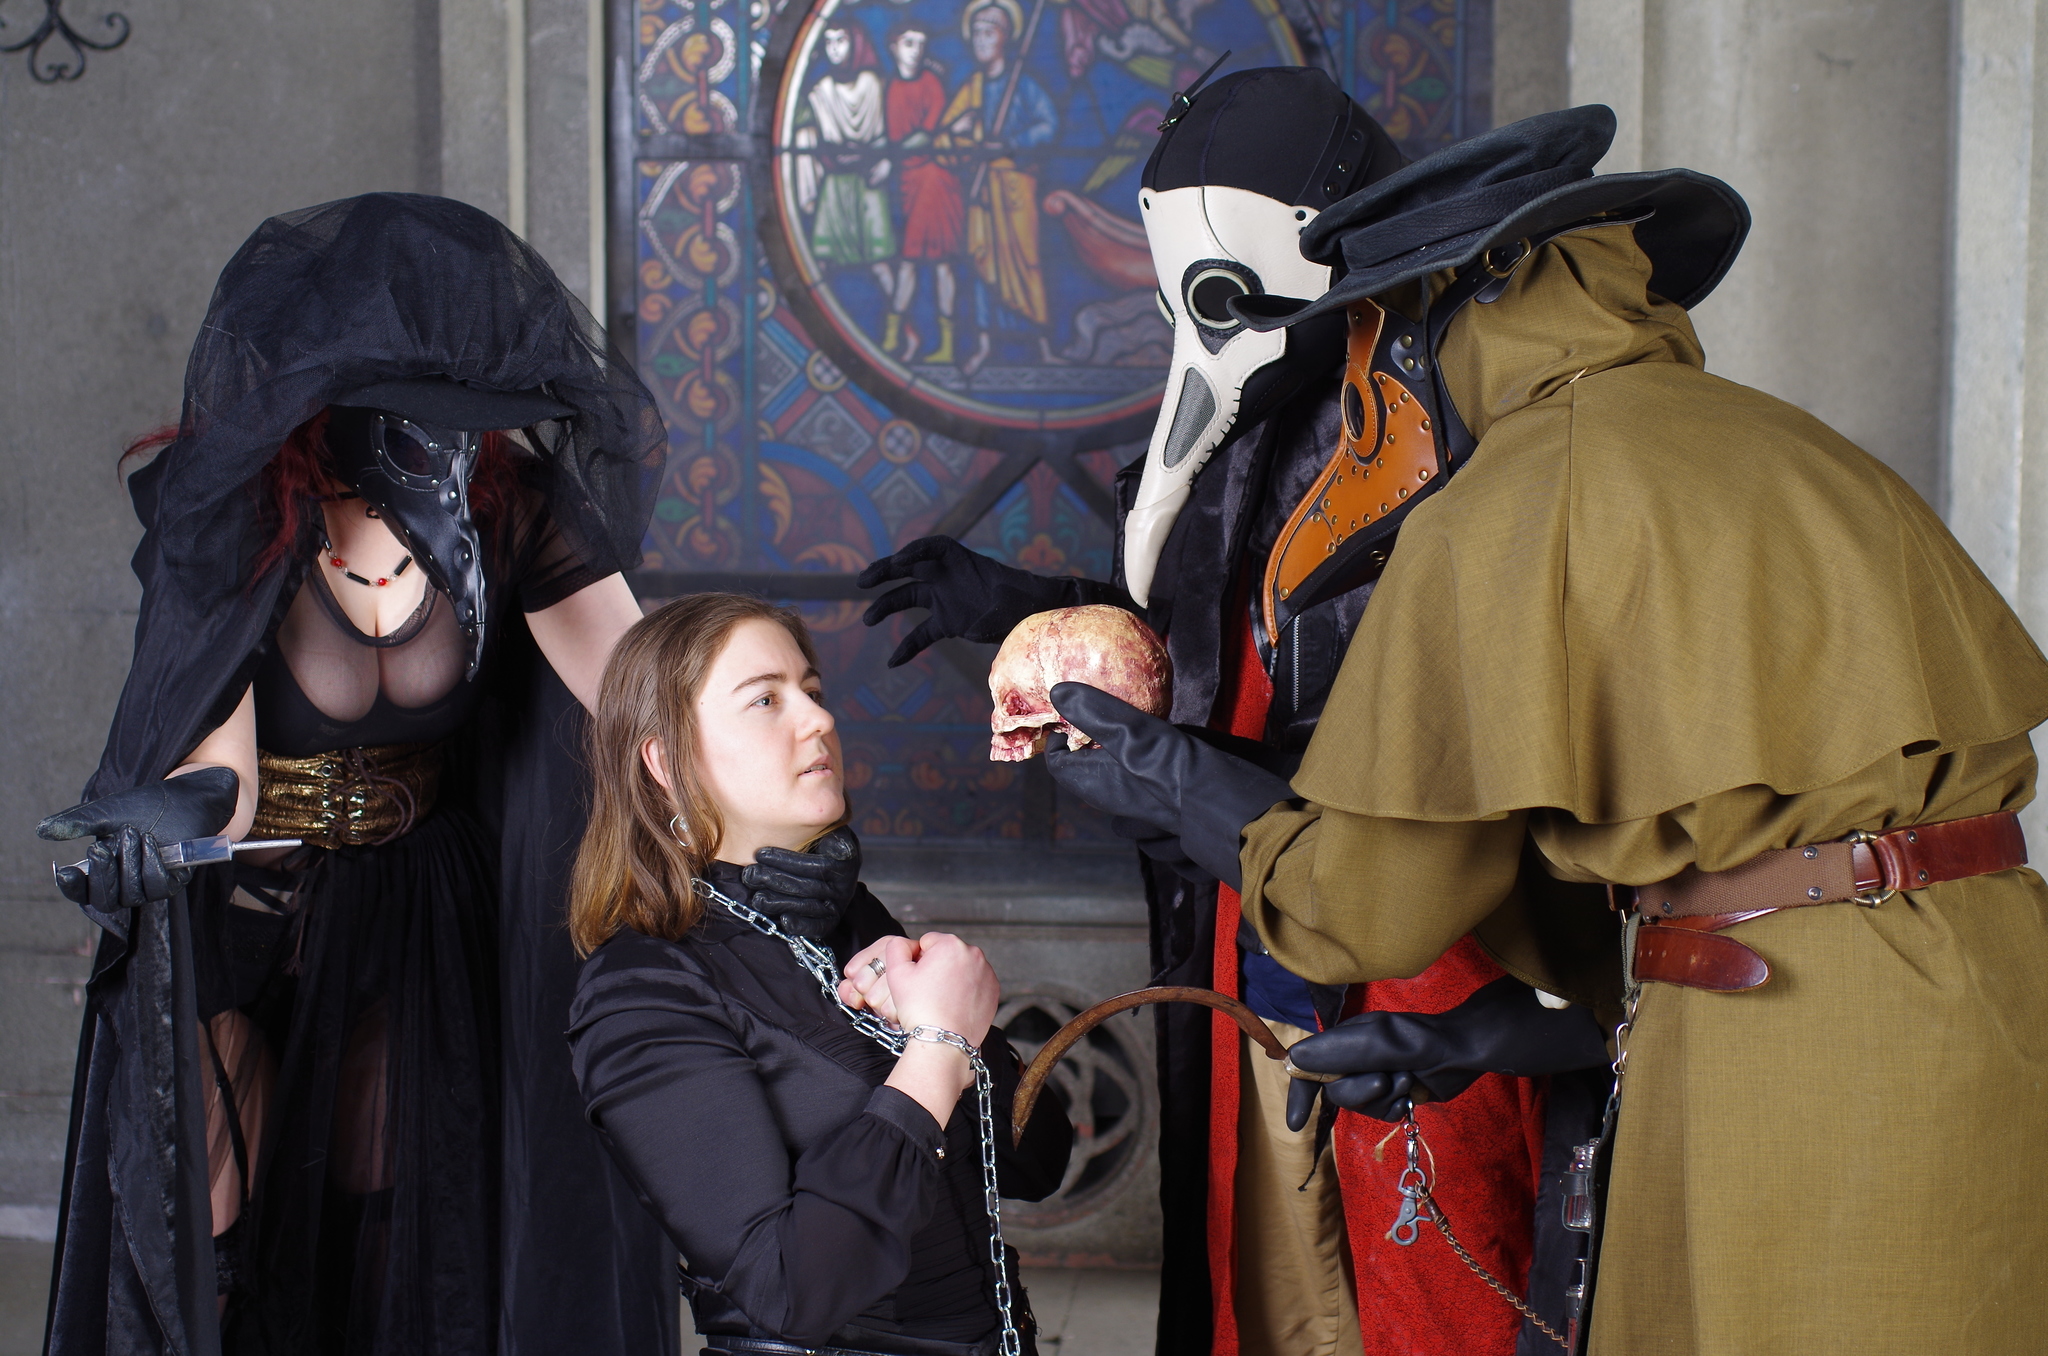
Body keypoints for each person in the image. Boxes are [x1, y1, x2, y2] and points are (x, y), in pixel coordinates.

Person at [1039, 104, 2048, 1356]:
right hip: (1976, 993)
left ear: (1426, 328)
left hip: (1803, 1057)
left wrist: (1199, 799)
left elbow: (1370, 907)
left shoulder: (1514, 495)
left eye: (1366, 333)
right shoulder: (1795, 445)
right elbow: (1762, 835)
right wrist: (1498, 1028)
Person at [859, 68, 1606, 1356]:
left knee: (1425, 1284)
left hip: (1415, 949)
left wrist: (1180, 780)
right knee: (1265, 1278)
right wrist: (1035, 606)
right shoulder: (1263, 427)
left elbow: (1414, 719)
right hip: (1248, 938)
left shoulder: (1443, 436)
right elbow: (1237, 642)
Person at [35, 193, 683, 1356]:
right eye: (423, 411)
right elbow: (217, 761)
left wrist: (758, 802)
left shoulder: (512, 508)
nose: (450, 440)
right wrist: (151, 831)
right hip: (246, 895)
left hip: (413, 904)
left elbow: (644, 699)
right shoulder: (243, 518)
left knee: (393, 1212)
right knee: (216, 1227)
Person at [565, 594, 1074, 1356]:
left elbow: (1037, 1161)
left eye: (812, 690)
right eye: (766, 699)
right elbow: (792, 1289)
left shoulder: (842, 918)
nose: (818, 719)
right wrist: (936, 1051)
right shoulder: (640, 991)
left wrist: (962, 1033)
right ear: (665, 763)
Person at [939, 0, 1057, 375]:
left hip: (1015, 189)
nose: (980, 40)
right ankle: (985, 346)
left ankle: (1043, 347)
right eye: (976, 32)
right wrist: (960, 133)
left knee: (1025, 265)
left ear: (1005, 38)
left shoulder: (1022, 84)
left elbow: (1047, 126)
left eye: (988, 32)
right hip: (982, 190)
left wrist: (1009, 144)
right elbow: (944, 139)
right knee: (982, 263)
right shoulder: (971, 87)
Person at [799, 18, 899, 301]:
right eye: (828, 42)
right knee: (820, 260)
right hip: (835, 185)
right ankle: (811, 322)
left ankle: (902, 327)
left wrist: (886, 162)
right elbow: (806, 139)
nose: (834, 50)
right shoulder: (820, 91)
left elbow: (888, 135)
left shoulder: (873, 85)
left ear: (855, 44)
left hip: (869, 184)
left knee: (881, 263)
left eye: (840, 41)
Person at [883, 20, 963, 365]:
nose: (915, 50)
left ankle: (947, 343)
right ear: (893, 47)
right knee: (909, 263)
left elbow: (926, 134)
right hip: (908, 183)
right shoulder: (891, 90)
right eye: (908, 43)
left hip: (937, 182)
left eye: (920, 43)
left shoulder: (932, 84)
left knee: (940, 263)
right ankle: (892, 335)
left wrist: (889, 151)